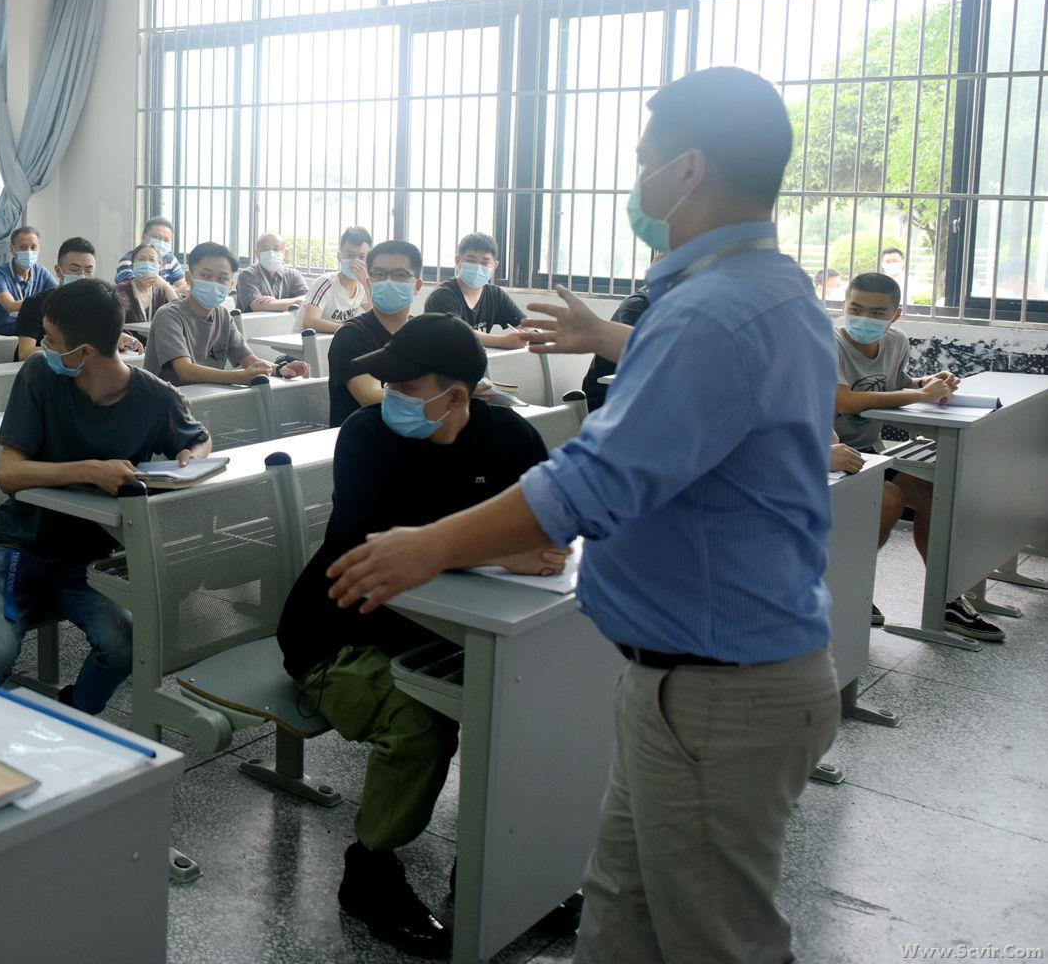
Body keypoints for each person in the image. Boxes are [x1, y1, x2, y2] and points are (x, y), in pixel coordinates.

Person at [326, 67, 842, 962]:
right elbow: (717, 373)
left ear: (687, 169)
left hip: (717, 690)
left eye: (644, 161)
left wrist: (428, 547)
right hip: (706, 673)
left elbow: (590, 486)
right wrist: (612, 339)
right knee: (619, 919)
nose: (636, 182)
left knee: (715, 942)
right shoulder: (771, 288)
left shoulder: (710, 313)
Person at [278, 315, 564, 956]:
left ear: (457, 395)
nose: (391, 396)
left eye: (407, 386)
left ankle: (491, 863)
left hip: (458, 630)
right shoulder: (366, 436)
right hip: (339, 634)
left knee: (529, 708)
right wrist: (498, 553)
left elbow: (546, 519)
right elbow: (371, 546)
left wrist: (519, 549)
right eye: (389, 383)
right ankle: (369, 870)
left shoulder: (509, 436)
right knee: (420, 724)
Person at [0, 279, 211, 712]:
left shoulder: (154, 396)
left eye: (52, 340)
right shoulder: (39, 375)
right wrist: (90, 470)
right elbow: (9, 474)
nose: (44, 347)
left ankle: (70, 718)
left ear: (85, 352)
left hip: (87, 561)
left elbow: (199, 440)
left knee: (124, 646)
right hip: (18, 548)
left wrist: (191, 456)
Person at [832, 272, 1001, 642]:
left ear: (896, 315)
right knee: (888, 499)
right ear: (844, 305)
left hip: (868, 452)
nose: (864, 318)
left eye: (877, 312)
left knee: (937, 496)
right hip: (830, 454)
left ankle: (947, 600)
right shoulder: (828, 342)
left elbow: (896, 386)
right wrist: (920, 396)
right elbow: (844, 401)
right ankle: (847, 587)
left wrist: (925, 383)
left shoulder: (896, 342)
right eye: (855, 308)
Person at [143, 242, 313, 386]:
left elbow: (249, 360)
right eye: (205, 275)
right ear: (189, 278)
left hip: (204, 399)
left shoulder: (223, 316)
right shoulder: (169, 315)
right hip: (164, 405)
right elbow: (185, 371)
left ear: (231, 285)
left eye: (222, 279)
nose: (213, 283)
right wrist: (240, 377)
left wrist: (282, 370)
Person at [326, 240, 423, 427]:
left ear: (417, 286)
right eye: (379, 274)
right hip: (367, 437)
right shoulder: (351, 335)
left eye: (400, 274)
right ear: (369, 284)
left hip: (416, 432)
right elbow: (374, 399)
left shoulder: (422, 333)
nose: (388, 281)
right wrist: (447, 394)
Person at [14, 238, 142, 361]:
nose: (82, 276)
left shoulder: (98, 304)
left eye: (88, 270)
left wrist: (118, 339)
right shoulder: (35, 304)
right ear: (58, 271)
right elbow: (25, 353)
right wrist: (77, 349)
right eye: (74, 270)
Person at [423, 232, 527, 349]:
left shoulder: (496, 295)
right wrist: (503, 341)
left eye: (485, 262)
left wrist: (533, 332)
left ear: (495, 266)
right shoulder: (442, 295)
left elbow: (524, 323)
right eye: (471, 260)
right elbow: (458, 333)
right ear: (458, 261)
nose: (477, 267)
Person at [580, 282, 653, 412]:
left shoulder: (670, 308)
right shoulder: (636, 305)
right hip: (605, 396)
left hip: (633, 392)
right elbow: (636, 356)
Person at [0, 226, 57, 336]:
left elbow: (58, 296)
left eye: (33, 247)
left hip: (30, 333)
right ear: (12, 249)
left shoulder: (41, 272)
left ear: (39, 248)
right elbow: (10, 306)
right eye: (23, 247)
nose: (29, 252)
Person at [301, 227, 374, 333]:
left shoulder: (363, 286)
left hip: (336, 339)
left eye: (362, 257)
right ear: (339, 256)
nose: (355, 262)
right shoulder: (326, 283)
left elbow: (375, 317)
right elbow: (310, 321)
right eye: (349, 256)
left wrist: (366, 283)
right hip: (306, 341)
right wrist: (349, 329)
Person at [114, 215, 189, 296]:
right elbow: (137, 292)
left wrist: (167, 289)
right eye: (156, 237)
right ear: (143, 237)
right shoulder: (128, 261)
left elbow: (184, 287)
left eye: (166, 240)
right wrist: (169, 291)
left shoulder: (171, 260)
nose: (161, 243)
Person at [235, 232, 308, 313]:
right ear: (257, 253)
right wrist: (296, 302)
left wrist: (274, 303)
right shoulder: (247, 275)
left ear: (285, 253)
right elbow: (257, 306)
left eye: (276, 249)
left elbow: (308, 299)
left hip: (286, 320)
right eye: (265, 249)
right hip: (255, 321)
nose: (271, 253)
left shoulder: (293, 275)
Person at [115, 242, 173, 326]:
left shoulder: (162, 292)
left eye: (152, 260)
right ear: (132, 266)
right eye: (141, 259)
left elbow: (180, 313)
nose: (147, 264)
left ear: (159, 266)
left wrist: (167, 286)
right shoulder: (120, 290)